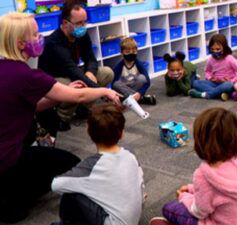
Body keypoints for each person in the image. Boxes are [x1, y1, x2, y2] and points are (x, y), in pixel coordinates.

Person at [0, 12, 121, 223]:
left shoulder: (6, 68)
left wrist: (60, 94)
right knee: (70, 164)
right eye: (36, 34)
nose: (40, 38)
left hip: (6, 149)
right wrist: (105, 92)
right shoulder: (26, 75)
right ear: (20, 43)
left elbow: (32, 105)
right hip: (7, 158)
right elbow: (80, 96)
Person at [150, 108, 237, 225]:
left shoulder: (204, 175)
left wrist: (184, 197)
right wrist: (192, 188)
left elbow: (198, 212)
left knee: (169, 208)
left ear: (201, 141)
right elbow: (216, 192)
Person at [52, 103, 144, 225]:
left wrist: (87, 188)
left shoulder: (91, 166)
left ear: (88, 131)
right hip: (133, 217)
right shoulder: (130, 152)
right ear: (122, 132)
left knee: (72, 195)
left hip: (112, 222)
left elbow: (56, 185)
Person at [38, 2, 115, 131]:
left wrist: (90, 72)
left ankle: (83, 108)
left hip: (73, 72)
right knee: (77, 85)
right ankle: (62, 117)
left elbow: (90, 58)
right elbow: (72, 71)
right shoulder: (54, 43)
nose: (83, 26)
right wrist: (103, 92)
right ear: (65, 23)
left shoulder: (82, 35)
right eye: (78, 23)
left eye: (84, 22)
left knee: (107, 72)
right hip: (55, 78)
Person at [188, 34, 237, 101]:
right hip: (215, 83)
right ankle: (219, 94)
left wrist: (232, 81)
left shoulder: (229, 58)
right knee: (195, 83)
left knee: (227, 85)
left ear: (224, 48)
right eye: (212, 49)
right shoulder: (211, 59)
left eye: (218, 49)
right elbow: (207, 71)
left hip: (227, 84)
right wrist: (210, 77)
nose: (215, 51)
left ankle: (206, 95)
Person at [112, 37, 156, 105]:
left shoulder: (138, 64)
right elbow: (113, 84)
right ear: (121, 53)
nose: (131, 54)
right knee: (116, 84)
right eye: (127, 52)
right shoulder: (119, 66)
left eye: (134, 51)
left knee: (142, 78)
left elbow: (147, 82)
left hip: (136, 86)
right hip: (124, 88)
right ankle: (140, 99)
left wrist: (140, 93)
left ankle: (130, 98)